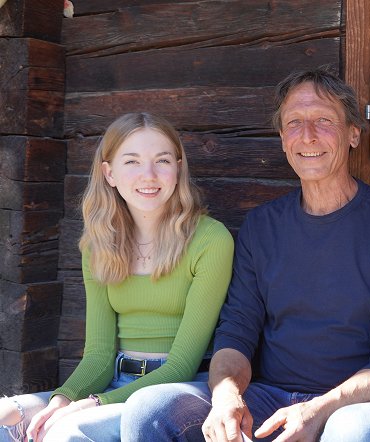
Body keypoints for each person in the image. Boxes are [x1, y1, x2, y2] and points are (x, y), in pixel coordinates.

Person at [121, 68, 370, 442]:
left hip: (353, 407)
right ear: (282, 139)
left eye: (324, 121)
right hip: (269, 397)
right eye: (294, 122)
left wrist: (319, 409)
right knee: (149, 409)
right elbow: (236, 332)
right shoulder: (262, 226)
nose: (308, 135)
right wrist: (226, 397)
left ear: (352, 134)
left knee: (354, 432)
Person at [0, 113, 234, 442]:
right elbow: (98, 355)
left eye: (162, 160)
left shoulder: (211, 240)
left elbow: (182, 364)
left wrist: (92, 404)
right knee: (5, 420)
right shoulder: (99, 245)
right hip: (114, 382)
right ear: (109, 173)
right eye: (132, 162)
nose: (149, 175)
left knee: (67, 433)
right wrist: (62, 399)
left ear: (178, 168)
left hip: (178, 390)